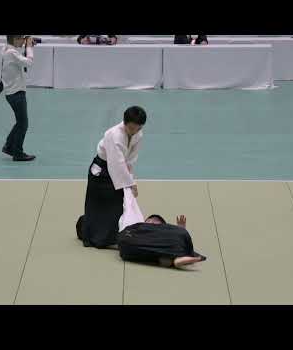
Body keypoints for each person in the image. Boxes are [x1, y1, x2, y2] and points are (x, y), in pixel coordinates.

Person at [77, 106, 147, 248]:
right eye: (132, 128)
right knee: (97, 206)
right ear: (125, 123)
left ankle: (110, 237)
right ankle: (92, 237)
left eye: (138, 128)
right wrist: (130, 184)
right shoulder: (113, 134)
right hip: (101, 172)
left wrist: (131, 178)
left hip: (118, 171)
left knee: (116, 207)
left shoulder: (138, 134)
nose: (134, 131)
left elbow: (129, 160)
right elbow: (117, 164)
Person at [118, 214, 207, 269]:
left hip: (127, 248)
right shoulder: (141, 229)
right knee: (166, 259)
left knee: (165, 258)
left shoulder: (164, 236)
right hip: (130, 246)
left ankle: (178, 259)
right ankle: (178, 259)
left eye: (154, 222)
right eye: (149, 221)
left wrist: (179, 229)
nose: (151, 223)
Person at [0, 35, 36, 161]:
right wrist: (30, 48)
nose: (23, 41)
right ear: (15, 39)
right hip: (16, 93)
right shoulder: (12, 53)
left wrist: (25, 45)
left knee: (20, 123)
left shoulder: (5, 49)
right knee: (23, 124)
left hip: (11, 92)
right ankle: (18, 153)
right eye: (21, 39)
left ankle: (9, 146)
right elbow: (29, 62)